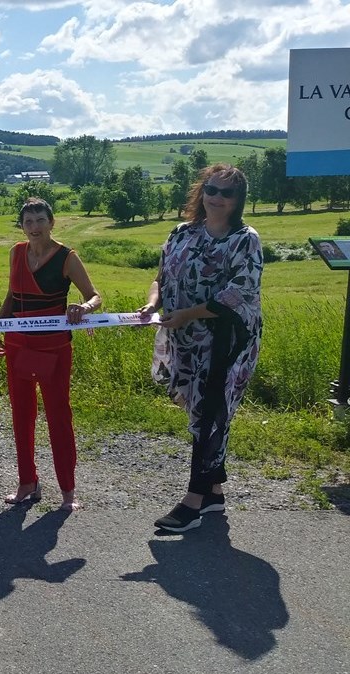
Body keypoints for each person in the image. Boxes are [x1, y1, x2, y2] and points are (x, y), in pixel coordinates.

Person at [137, 164, 263, 532]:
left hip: (225, 340)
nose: (217, 198)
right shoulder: (181, 232)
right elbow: (161, 277)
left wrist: (187, 314)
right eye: (212, 189)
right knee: (201, 411)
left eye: (227, 193)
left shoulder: (244, 238)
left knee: (212, 414)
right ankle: (214, 494)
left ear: (238, 200)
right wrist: (152, 304)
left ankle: (193, 500)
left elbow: (237, 293)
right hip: (186, 341)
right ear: (201, 191)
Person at [0, 198, 101, 512]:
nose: (35, 227)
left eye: (40, 220)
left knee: (58, 416)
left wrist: (83, 307)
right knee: (21, 414)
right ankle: (28, 482)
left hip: (54, 347)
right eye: (28, 222)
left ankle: (67, 491)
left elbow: (95, 296)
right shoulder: (16, 252)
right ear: (22, 226)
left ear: (52, 222)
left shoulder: (67, 258)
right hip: (17, 345)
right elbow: (12, 295)